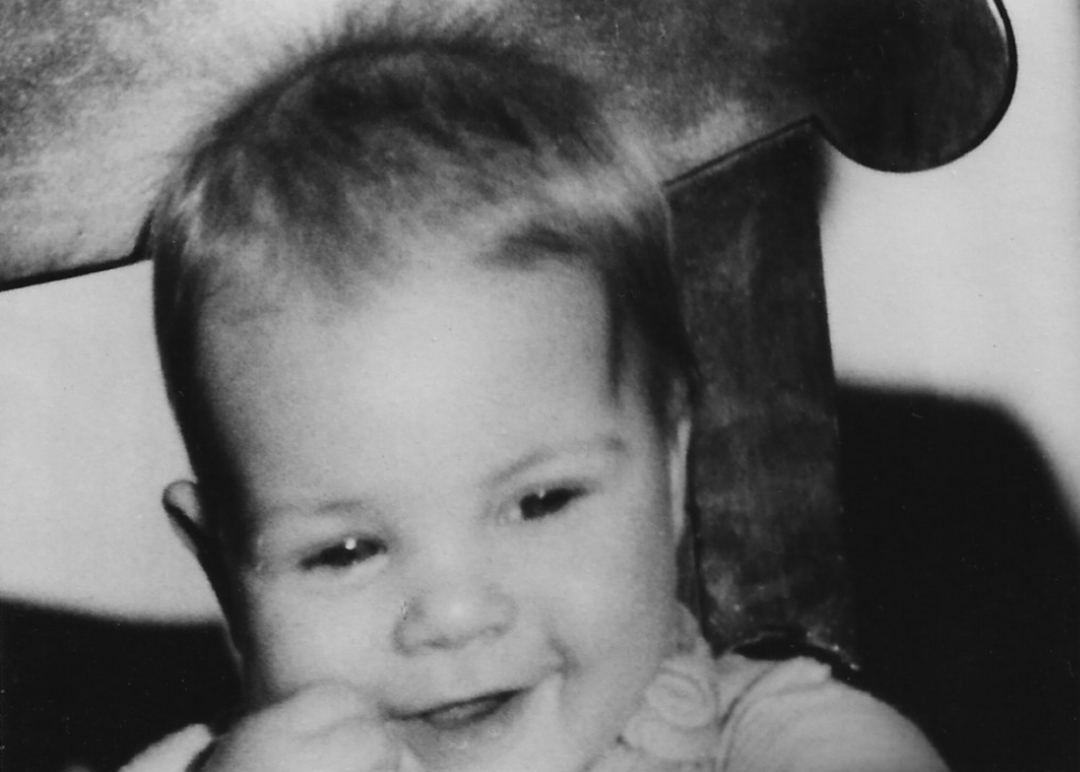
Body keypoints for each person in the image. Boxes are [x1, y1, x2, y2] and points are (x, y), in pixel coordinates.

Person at [126, 12, 947, 772]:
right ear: (224, 570)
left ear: (670, 470)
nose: (454, 614)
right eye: (344, 551)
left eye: (541, 502)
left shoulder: (768, 735)